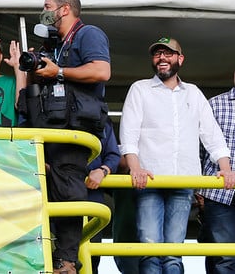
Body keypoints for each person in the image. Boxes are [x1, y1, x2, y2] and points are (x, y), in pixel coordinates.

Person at [120, 37, 235, 274]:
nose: (162, 58)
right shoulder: (139, 89)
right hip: (149, 182)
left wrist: (225, 167)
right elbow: (128, 136)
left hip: (183, 183)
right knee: (150, 251)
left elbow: (212, 136)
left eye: (168, 53)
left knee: (174, 254)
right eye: (157, 54)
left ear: (180, 59)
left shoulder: (193, 93)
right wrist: (135, 167)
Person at [22, 0, 111, 274]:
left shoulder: (89, 34)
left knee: (69, 192)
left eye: (47, 5)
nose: (44, 10)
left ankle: (67, 262)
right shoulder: (56, 44)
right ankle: (52, 257)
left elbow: (101, 71)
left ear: (64, 9)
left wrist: (58, 71)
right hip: (53, 128)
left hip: (74, 131)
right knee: (47, 192)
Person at [198, 69, 235, 274]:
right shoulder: (214, 104)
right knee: (223, 258)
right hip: (218, 192)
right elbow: (200, 149)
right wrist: (199, 189)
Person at [84, 118, 121, 274]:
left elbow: (113, 155)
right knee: (59, 257)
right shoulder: (52, 107)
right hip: (57, 193)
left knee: (92, 259)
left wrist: (103, 170)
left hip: (92, 195)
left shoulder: (99, 115)